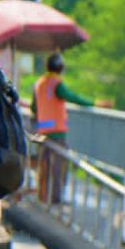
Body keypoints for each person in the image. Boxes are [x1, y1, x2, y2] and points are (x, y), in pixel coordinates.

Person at [31, 52, 107, 204]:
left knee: (44, 166)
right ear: (61, 68)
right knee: (58, 167)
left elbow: (34, 108)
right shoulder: (55, 83)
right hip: (57, 133)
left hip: (43, 132)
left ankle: (42, 197)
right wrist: (95, 103)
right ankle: (55, 200)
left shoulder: (39, 83)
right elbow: (73, 97)